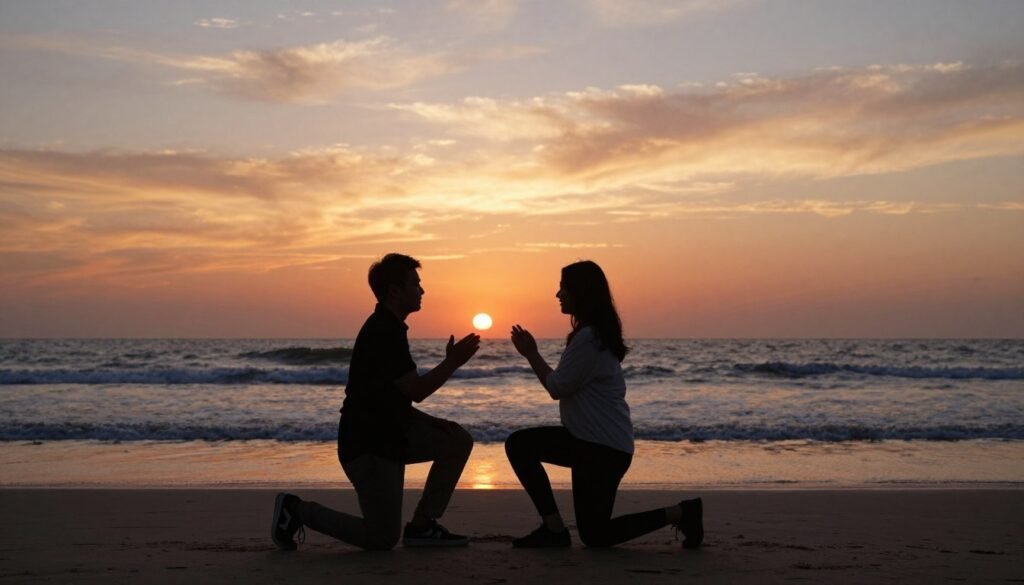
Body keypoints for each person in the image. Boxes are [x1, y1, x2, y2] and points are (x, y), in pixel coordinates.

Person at [271, 253, 481, 551]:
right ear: (395, 291)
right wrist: (453, 362)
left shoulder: (392, 328)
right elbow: (416, 390)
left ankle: (422, 526)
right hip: (368, 447)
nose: (422, 291)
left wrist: (433, 423)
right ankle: (296, 510)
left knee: (456, 439)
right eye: (416, 284)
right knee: (381, 538)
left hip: (393, 435)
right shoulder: (382, 331)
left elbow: (393, 399)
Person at [506, 260, 703, 549]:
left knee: (520, 445)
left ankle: (555, 530)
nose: (558, 294)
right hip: (594, 444)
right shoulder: (592, 335)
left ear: (581, 292)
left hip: (600, 449)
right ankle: (682, 513)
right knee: (595, 534)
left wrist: (531, 354)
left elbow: (557, 387)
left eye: (564, 288)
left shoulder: (589, 339)